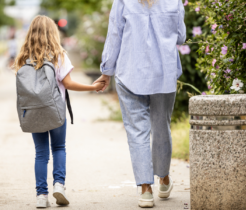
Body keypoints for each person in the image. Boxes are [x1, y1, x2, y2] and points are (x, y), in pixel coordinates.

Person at [94, 0, 186, 208]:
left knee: (137, 132)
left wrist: (107, 71)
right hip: (164, 73)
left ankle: (145, 190)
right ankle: (163, 178)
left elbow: (115, 34)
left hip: (130, 72)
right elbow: (181, 36)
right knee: (162, 127)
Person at [13, 15, 105, 208]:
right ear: (53, 32)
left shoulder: (23, 57)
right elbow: (68, 83)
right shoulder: (58, 54)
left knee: (40, 153)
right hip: (55, 111)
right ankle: (59, 185)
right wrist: (93, 87)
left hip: (33, 112)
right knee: (59, 148)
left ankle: (41, 195)